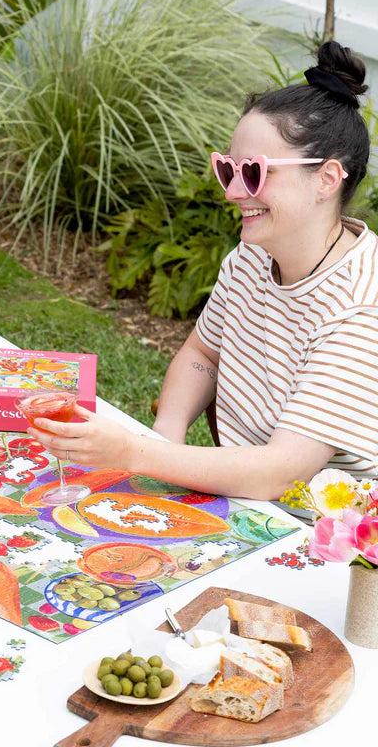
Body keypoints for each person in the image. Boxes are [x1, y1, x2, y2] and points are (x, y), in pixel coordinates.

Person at [29, 41, 377, 501]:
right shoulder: (253, 255)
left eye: (254, 172)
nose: (234, 192)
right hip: (243, 499)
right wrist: (164, 437)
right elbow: (204, 356)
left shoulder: (360, 308)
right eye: (228, 169)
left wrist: (134, 452)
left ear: (327, 180)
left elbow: (279, 474)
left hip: (326, 538)